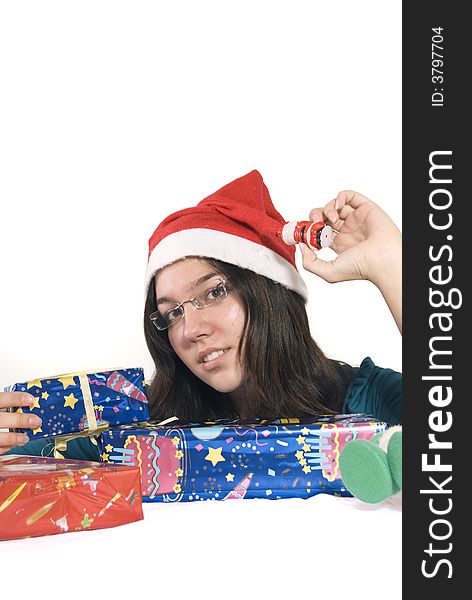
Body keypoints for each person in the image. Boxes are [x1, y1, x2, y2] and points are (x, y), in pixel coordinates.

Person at [1, 170, 401, 459]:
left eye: (214, 292)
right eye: (171, 313)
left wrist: (390, 264)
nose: (189, 329)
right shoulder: (147, 425)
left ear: (268, 294)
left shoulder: (366, 399)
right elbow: (26, 462)